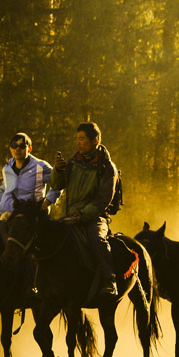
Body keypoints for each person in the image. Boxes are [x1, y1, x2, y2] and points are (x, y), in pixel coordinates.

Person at [50, 121, 119, 300]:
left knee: (97, 239)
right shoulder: (73, 162)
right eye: (77, 139)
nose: (78, 143)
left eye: (82, 139)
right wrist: (57, 170)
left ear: (95, 140)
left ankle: (109, 281)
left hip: (94, 218)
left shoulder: (107, 168)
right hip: (69, 216)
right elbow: (57, 185)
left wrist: (81, 215)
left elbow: (103, 200)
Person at [0, 132, 60, 222]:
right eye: (14, 145)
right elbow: (4, 189)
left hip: (30, 215)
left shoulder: (40, 166)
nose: (17, 149)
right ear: (10, 149)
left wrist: (48, 201)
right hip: (6, 217)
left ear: (29, 149)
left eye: (22, 146)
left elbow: (58, 181)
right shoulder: (7, 168)